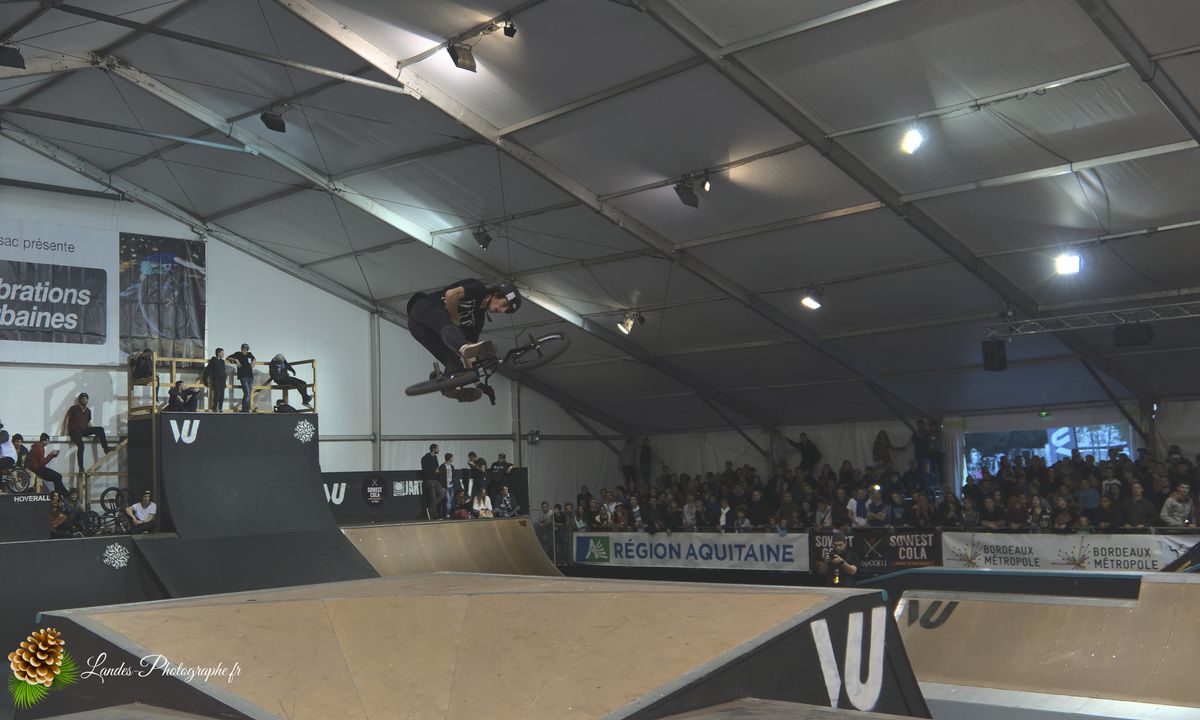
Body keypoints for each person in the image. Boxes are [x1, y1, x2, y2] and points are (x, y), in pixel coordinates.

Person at [406, 279, 521, 403]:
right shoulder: (479, 290)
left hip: (420, 331)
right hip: (424, 308)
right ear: (497, 294)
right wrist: (455, 319)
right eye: (505, 305)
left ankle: (449, 388)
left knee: (454, 363)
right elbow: (451, 295)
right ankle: (461, 346)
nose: (503, 310)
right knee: (449, 326)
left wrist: (477, 382)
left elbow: (471, 353)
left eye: (506, 310)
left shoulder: (478, 320)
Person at [64, 393, 111, 475]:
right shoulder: (74, 408)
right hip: (75, 431)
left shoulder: (88, 411)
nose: (85, 400)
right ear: (80, 400)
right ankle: (81, 468)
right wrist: (65, 431)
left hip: (84, 430)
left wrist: (94, 431)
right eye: (83, 398)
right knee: (81, 446)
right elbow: (67, 418)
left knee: (100, 429)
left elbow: (88, 422)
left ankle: (106, 449)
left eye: (86, 399)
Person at [226, 343, 256, 412]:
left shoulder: (249, 354)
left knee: (249, 393)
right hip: (243, 376)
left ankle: (246, 408)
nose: (245, 351)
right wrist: (236, 360)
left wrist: (254, 361)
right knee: (247, 393)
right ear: (242, 349)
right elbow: (228, 358)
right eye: (244, 349)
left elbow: (254, 358)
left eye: (246, 350)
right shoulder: (238, 354)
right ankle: (244, 408)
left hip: (250, 376)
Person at [201, 348, 227, 412]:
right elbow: (207, 370)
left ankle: (220, 408)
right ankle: (214, 408)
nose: (223, 354)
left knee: (222, 395)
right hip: (216, 379)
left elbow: (223, 371)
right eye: (222, 353)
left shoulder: (222, 361)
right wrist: (205, 379)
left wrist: (224, 381)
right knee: (217, 393)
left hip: (222, 380)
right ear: (218, 353)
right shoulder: (213, 361)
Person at [421, 443, 442, 519]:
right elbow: (424, 470)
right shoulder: (425, 458)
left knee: (442, 494)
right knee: (433, 497)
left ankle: (431, 507)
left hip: (436, 479)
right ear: (433, 449)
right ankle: (435, 516)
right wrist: (434, 471)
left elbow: (437, 468)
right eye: (437, 448)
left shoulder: (435, 457)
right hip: (429, 480)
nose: (439, 450)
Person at [438, 453, 458, 519]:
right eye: (452, 457)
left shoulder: (452, 466)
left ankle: (449, 513)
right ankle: (446, 514)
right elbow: (440, 477)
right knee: (447, 500)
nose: (453, 459)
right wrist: (442, 486)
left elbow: (453, 475)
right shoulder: (442, 466)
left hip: (451, 486)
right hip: (445, 486)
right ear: (449, 458)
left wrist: (453, 481)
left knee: (451, 500)